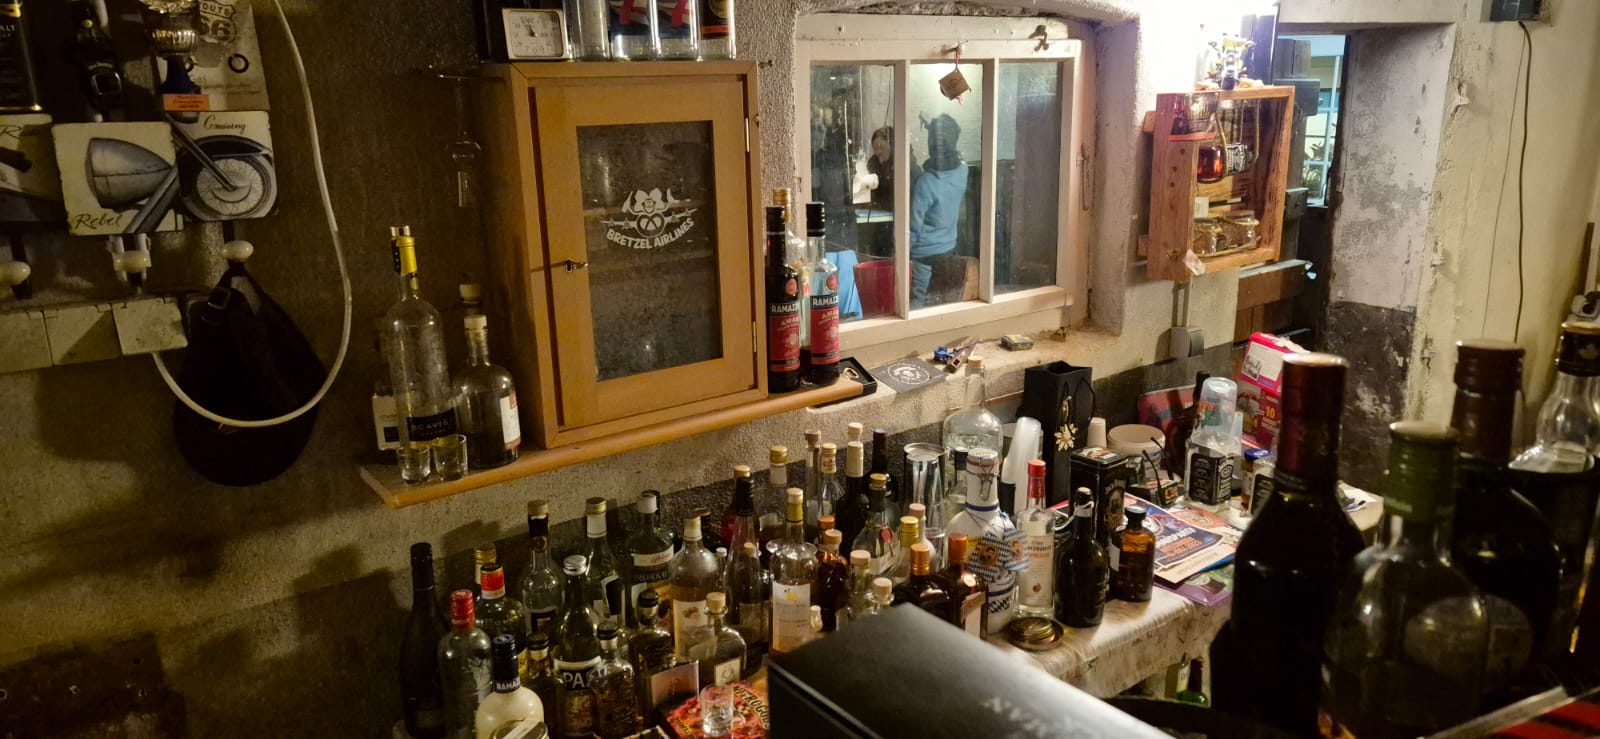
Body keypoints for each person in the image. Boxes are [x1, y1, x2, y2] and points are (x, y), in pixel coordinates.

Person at [909, 114, 968, 306]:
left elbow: (913, 226)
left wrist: (901, 254)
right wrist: (933, 126)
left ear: (932, 144)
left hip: (924, 254)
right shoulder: (962, 171)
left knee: (918, 303)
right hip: (949, 249)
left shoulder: (926, 182)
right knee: (943, 300)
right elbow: (951, 147)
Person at [865, 127, 896, 212]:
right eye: (875, 149)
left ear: (892, 144)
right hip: (879, 213)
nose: (878, 152)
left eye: (881, 147)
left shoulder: (903, 165)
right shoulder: (873, 164)